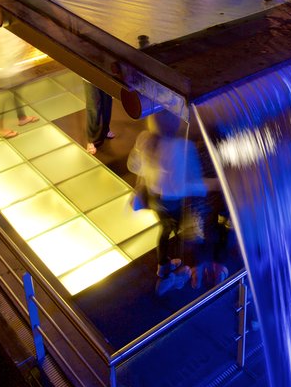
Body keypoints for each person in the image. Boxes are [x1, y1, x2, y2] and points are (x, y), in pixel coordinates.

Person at [128, 110, 215, 295]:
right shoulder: (181, 147)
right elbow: (188, 182)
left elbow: (134, 165)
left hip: (154, 199)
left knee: (165, 229)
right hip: (174, 202)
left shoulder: (145, 139)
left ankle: (163, 267)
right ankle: (181, 277)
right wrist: (215, 185)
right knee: (189, 232)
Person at [84, 81, 115, 155]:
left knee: (107, 101)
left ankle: (105, 129)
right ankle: (91, 138)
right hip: (89, 73)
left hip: (105, 71)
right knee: (93, 105)